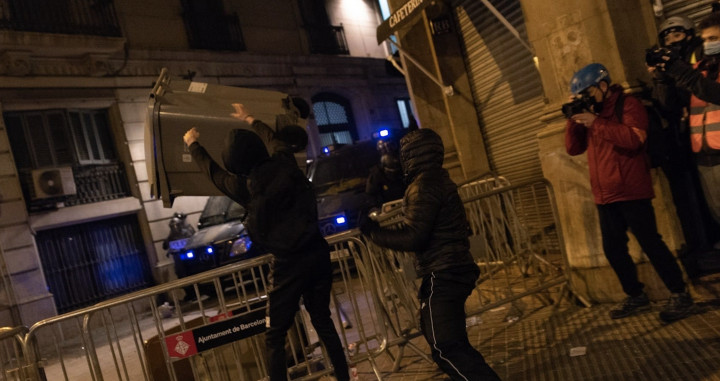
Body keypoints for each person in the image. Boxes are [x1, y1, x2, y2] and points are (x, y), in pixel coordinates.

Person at [182, 122, 349, 381]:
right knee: (323, 321)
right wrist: (252, 120)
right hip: (317, 253)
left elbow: (212, 173)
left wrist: (193, 144)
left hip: (287, 265)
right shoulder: (286, 164)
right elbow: (275, 140)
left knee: (275, 335)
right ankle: (343, 377)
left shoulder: (246, 188)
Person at [360, 128, 501, 380]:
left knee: (445, 348)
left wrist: (373, 233)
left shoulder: (424, 185)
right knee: (452, 343)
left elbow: (415, 235)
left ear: (412, 155)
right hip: (450, 268)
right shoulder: (435, 179)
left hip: (444, 272)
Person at [565, 63, 697, 322]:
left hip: (631, 190)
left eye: (588, 92)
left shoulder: (628, 105)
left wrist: (595, 122)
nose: (587, 98)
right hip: (605, 194)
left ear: (603, 86)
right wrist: (574, 121)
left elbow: (634, 139)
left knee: (651, 244)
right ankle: (636, 295)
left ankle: (680, 294)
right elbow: (572, 149)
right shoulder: (592, 113)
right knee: (613, 250)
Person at [647, 15, 719, 264]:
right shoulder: (696, 68)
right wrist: (661, 77)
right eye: (667, 37)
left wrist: (679, 69)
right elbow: (671, 104)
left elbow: (711, 91)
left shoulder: (700, 67)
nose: (708, 43)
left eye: (713, 38)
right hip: (702, 149)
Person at [365, 140, 405, 208]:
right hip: (389, 212)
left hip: (409, 205)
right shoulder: (377, 173)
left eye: (390, 146)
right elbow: (371, 194)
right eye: (384, 149)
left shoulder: (405, 166)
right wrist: (378, 208)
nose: (388, 151)